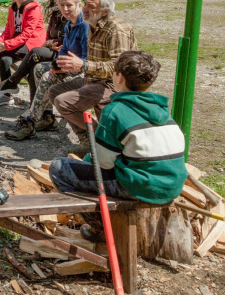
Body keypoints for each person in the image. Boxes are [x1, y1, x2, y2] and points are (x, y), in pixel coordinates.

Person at [49, 51, 186, 242]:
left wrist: (89, 160)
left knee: (59, 168)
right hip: (172, 185)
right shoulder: (161, 109)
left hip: (141, 185)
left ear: (119, 77)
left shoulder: (115, 110)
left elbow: (102, 163)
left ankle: (103, 229)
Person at [48, 0, 137, 156]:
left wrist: (83, 65)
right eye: (86, 4)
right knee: (54, 91)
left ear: (104, 11)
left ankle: (102, 139)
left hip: (112, 84)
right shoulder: (92, 24)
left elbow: (118, 68)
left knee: (63, 101)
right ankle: (89, 140)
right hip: (94, 79)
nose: (85, 9)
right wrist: (69, 65)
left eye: (91, 6)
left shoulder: (116, 29)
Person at [5, 0, 89, 141]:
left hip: (83, 72)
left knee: (46, 77)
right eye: (62, 5)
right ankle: (47, 116)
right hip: (68, 67)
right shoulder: (69, 25)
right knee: (38, 68)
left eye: (69, 5)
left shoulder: (84, 26)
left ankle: (30, 121)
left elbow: (86, 58)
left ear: (79, 5)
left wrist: (65, 67)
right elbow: (64, 50)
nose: (65, 9)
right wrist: (57, 65)